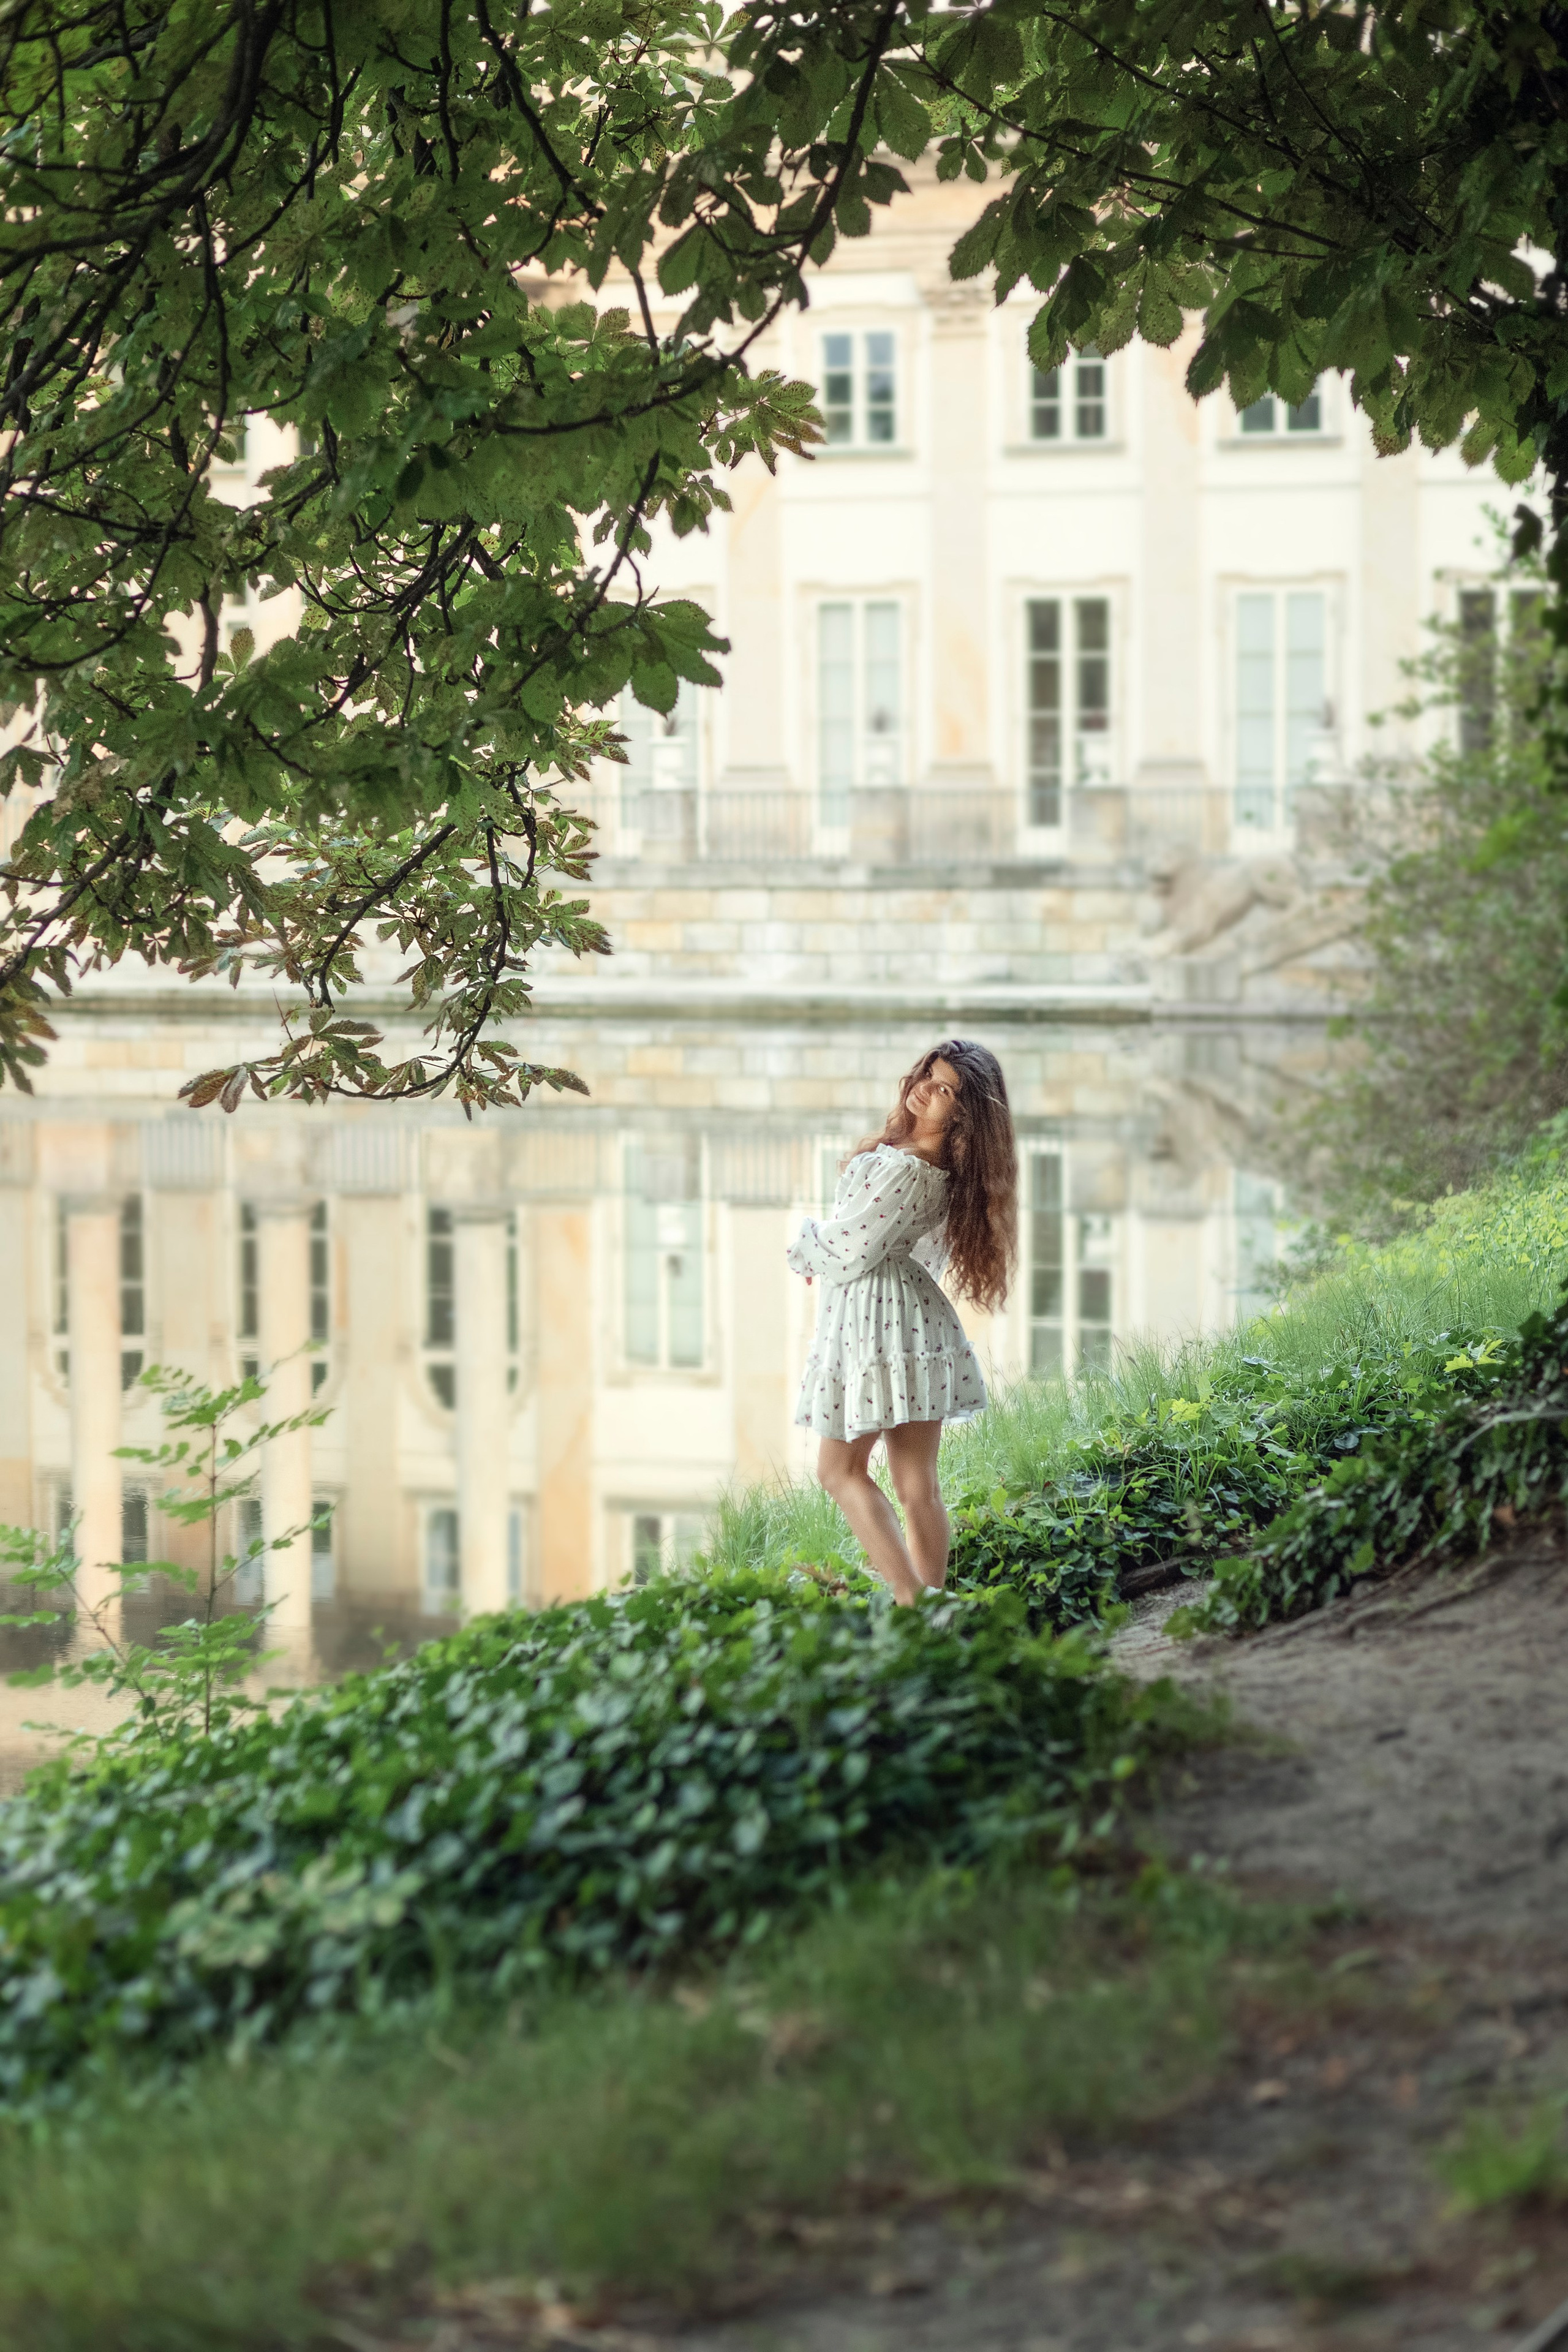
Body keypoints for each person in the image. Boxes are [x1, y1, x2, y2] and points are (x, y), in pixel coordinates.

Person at [786, 1040, 1017, 1604]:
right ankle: (933, 1605)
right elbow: (886, 1247)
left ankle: (912, 1600)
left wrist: (805, 1248)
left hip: (877, 1323)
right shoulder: (937, 1169)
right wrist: (841, 1262)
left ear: (963, 1113)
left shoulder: (905, 1169)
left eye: (944, 1090)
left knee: (839, 1471)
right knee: (918, 1487)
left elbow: (854, 1245)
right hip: (906, 1318)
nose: (926, 1090)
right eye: (928, 1076)